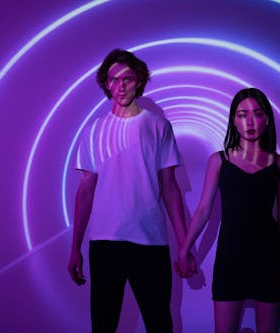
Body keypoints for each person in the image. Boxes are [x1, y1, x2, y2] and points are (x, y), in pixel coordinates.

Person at [67, 48, 195, 333]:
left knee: (160, 324)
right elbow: (85, 190)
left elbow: (171, 188)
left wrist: (184, 246)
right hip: (104, 242)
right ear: (106, 84)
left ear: (139, 81)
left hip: (150, 241)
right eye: (113, 79)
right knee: (103, 325)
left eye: (127, 78)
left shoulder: (158, 125)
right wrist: (75, 247)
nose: (120, 85)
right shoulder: (94, 130)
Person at [177, 88, 280, 333]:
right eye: (243, 114)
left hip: (269, 257)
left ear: (267, 119)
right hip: (230, 256)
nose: (250, 121)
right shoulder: (218, 161)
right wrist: (184, 249)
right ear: (234, 119)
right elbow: (203, 210)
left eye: (257, 114)